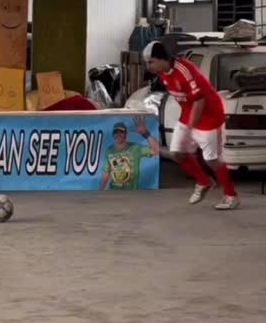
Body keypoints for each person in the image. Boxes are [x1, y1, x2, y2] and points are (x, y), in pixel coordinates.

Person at [143, 40, 240, 210]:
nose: (148, 66)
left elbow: (199, 100)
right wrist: (187, 125)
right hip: (188, 116)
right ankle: (204, 181)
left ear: (162, 59)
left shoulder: (184, 70)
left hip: (209, 118)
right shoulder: (163, 74)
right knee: (177, 154)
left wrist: (189, 128)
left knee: (212, 160)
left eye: (151, 62)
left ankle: (231, 196)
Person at [100, 118, 159, 191]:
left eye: (121, 132)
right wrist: (101, 191)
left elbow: (157, 150)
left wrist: (145, 133)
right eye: (116, 132)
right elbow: (106, 172)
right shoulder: (109, 150)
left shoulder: (135, 148)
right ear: (113, 135)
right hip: (114, 192)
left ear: (126, 134)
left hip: (131, 194)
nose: (118, 135)